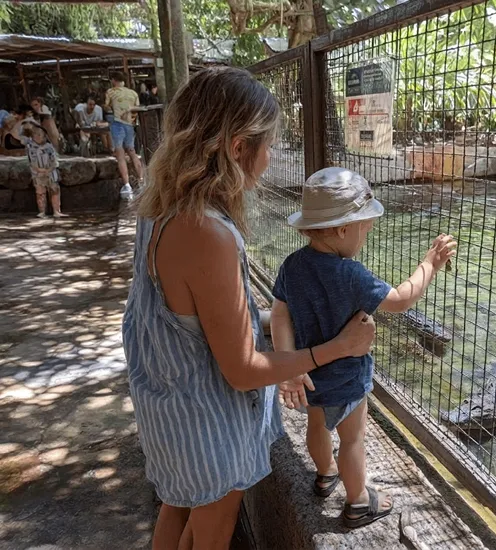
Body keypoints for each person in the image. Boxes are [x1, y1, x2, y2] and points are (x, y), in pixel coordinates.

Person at [122, 66, 376, 550]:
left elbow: (189, 317)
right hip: (205, 422)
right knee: (212, 529)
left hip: (168, 406)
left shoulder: (158, 210)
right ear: (238, 147)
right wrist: (334, 348)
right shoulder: (207, 231)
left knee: (178, 507)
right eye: (271, 143)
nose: (273, 155)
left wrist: (279, 325)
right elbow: (242, 369)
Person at [270, 167, 457, 528]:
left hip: (309, 374)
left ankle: (325, 475)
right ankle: (357, 502)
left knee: (317, 426)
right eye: (365, 229)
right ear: (343, 229)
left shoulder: (292, 265)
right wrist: (430, 263)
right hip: (349, 377)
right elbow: (401, 299)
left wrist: (291, 367)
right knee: (353, 440)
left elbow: (279, 315)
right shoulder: (350, 274)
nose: (365, 237)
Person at [11, 120, 67, 218]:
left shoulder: (49, 146)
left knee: (54, 189)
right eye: (35, 134)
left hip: (51, 172)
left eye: (40, 134)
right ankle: (42, 211)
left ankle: (56, 210)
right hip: (37, 173)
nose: (38, 136)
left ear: (44, 136)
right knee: (40, 191)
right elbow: (15, 134)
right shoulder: (29, 145)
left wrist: (49, 170)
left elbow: (54, 160)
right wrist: (23, 121)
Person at [105, 72, 143, 200]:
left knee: (120, 155)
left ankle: (127, 185)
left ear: (113, 80)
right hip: (130, 124)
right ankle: (142, 181)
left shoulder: (111, 91)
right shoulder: (133, 93)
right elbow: (137, 109)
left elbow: (107, 107)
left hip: (117, 123)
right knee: (132, 152)